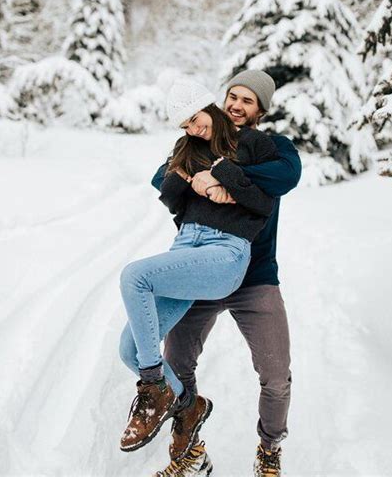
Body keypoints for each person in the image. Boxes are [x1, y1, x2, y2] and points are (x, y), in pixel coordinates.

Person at [119, 77, 281, 458]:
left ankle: (153, 389)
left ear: (209, 105)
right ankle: (188, 403)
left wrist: (224, 175)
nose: (193, 129)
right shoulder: (187, 147)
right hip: (186, 247)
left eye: (195, 118)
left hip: (226, 252)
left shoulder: (254, 144)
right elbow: (171, 199)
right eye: (185, 125)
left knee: (135, 276)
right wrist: (193, 181)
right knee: (130, 350)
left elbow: (262, 204)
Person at [151, 70, 302, 477]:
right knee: (176, 363)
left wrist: (222, 175)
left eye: (247, 100)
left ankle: (269, 449)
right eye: (232, 95)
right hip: (203, 272)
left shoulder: (273, 147)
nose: (236, 104)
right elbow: (160, 178)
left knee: (275, 375)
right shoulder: (198, 141)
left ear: (260, 110)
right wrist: (190, 177)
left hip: (255, 277)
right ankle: (190, 451)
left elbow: (287, 176)